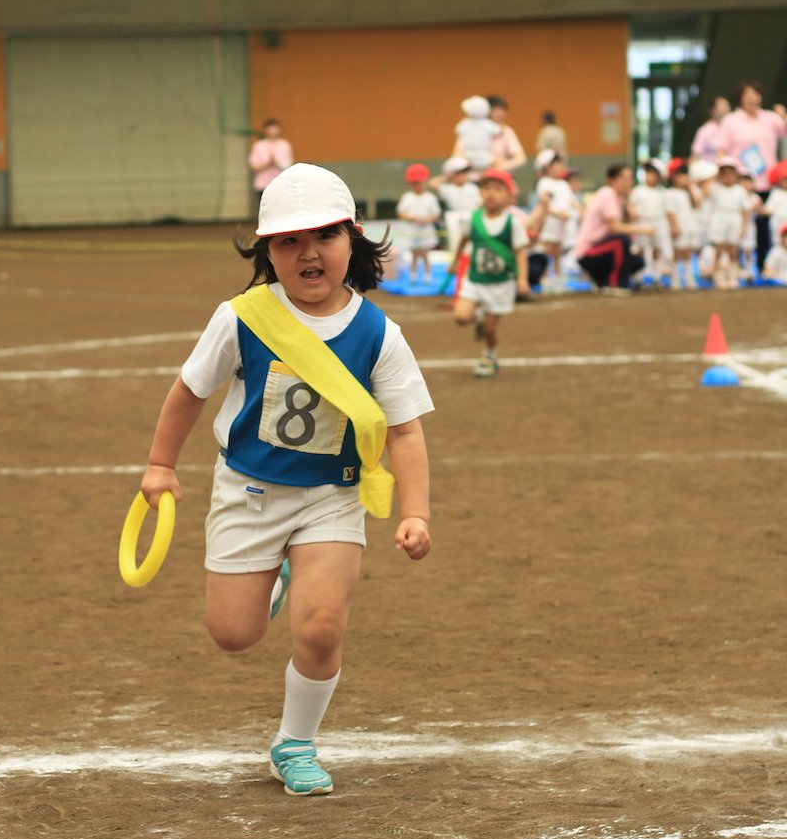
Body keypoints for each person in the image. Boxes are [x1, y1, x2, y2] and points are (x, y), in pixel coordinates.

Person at [137, 162, 433, 797]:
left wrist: (416, 512)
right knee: (234, 634)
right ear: (268, 251)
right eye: (288, 240)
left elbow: (406, 430)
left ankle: (294, 742)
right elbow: (189, 391)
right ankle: (278, 576)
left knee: (321, 625)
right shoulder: (241, 317)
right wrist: (161, 464)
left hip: (332, 496)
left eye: (324, 236)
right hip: (249, 491)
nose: (308, 253)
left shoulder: (381, 333)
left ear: (352, 239)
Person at [451, 168, 530, 377]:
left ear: (510, 196)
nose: (490, 193)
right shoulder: (474, 219)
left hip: (501, 284)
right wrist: (455, 261)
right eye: (485, 188)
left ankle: (490, 355)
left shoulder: (513, 223)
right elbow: (463, 239)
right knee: (460, 317)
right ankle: (478, 318)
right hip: (475, 279)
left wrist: (522, 279)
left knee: (489, 329)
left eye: (498, 189)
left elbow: (521, 253)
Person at [716, 79, 787, 271]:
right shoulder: (731, 120)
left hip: (767, 182)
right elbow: (721, 151)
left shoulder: (770, 118)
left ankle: (764, 265)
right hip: (741, 183)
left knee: (764, 228)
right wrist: (724, 176)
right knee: (740, 227)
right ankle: (736, 266)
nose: (753, 98)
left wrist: (784, 115)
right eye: (748, 94)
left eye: (756, 94)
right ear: (741, 98)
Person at [573, 164, 655, 295]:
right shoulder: (608, 195)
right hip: (588, 252)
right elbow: (616, 228)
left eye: (630, 178)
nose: (629, 182)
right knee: (621, 242)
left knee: (637, 261)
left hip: (601, 249)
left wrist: (630, 211)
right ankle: (616, 284)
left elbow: (621, 226)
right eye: (626, 178)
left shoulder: (618, 198)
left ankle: (602, 281)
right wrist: (643, 230)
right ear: (614, 180)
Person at [533, 149, 579, 291]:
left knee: (558, 252)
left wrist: (581, 209)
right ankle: (545, 278)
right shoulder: (544, 183)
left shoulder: (564, 185)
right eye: (557, 164)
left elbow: (572, 201)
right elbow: (545, 205)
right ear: (549, 167)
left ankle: (558, 278)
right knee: (547, 252)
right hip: (549, 224)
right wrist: (558, 214)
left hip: (561, 225)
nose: (560, 167)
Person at [704, 157, 751, 289]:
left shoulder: (740, 190)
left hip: (734, 219)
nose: (728, 176)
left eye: (731, 173)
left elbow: (745, 210)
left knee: (733, 250)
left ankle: (732, 277)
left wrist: (744, 226)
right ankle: (718, 277)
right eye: (724, 173)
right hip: (719, 219)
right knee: (718, 250)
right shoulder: (716, 188)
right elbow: (705, 191)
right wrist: (714, 174)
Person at [628, 159, 674, 286]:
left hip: (659, 222)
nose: (650, 176)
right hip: (642, 222)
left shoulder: (664, 192)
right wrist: (633, 222)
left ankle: (656, 275)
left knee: (657, 249)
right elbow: (631, 207)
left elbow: (669, 211)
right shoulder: (638, 191)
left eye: (653, 173)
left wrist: (673, 226)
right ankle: (638, 276)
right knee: (641, 248)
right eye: (648, 172)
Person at [396, 163, 443, 285]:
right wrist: (412, 218)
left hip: (425, 231)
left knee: (425, 254)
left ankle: (427, 276)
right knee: (414, 255)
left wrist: (428, 219)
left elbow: (436, 213)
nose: (417, 186)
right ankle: (413, 276)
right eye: (414, 183)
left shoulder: (430, 197)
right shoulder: (407, 197)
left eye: (419, 182)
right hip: (412, 232)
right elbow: (401, 213)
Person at [431, 156, 482, 261]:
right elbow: (432, 183)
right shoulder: (448, 189)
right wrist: (447, 176)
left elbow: (480, 205)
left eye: (465, 173)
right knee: (456, 250)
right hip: (455, 223)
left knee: (472, 250)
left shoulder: (473, 188)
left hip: (473, 220)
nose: (463, 176)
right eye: (459, 173)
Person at [663, 158, 699, 290]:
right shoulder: (669, 193)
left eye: (685, 175)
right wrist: (674, 226)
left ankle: (689, 278)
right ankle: (675, 279)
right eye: (680, 175)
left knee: (687, 252)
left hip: (690, 226)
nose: (683, 178)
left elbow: (697, 204)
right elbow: (670, 212)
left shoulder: (688, 192)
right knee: (677, 252)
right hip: (679, 227)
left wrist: (690, 188)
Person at [248, 119, 294, 209]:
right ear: (265, 130)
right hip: (262, 184)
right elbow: (253, 166)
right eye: (270, 129)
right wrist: (267, 163)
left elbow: (289, 166)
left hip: (281, 184)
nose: (273, 132)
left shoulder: (285, 145)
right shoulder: (258, 145)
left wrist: (276, 162)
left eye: (275, 129)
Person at [453, 95, 500, 173]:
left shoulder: (463, 124)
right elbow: (498, 131)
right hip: (478, 158)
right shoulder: (488, 124)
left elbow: (457, 130)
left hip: (471, 158)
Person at [486, 95, 527, 175]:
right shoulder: (472, 129)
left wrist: (502, 166)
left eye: (504, 110)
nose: (501, 113)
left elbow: (521, 158)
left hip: (500, 175)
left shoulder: (507, 131)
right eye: (497, 109)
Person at [691, 96, 731, 164]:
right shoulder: (705, 130)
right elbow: (695, 155)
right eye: (721, 108)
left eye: (726, 107)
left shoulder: (734, 128)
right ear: (712, 110)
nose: (724, 111)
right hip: (711, 169)